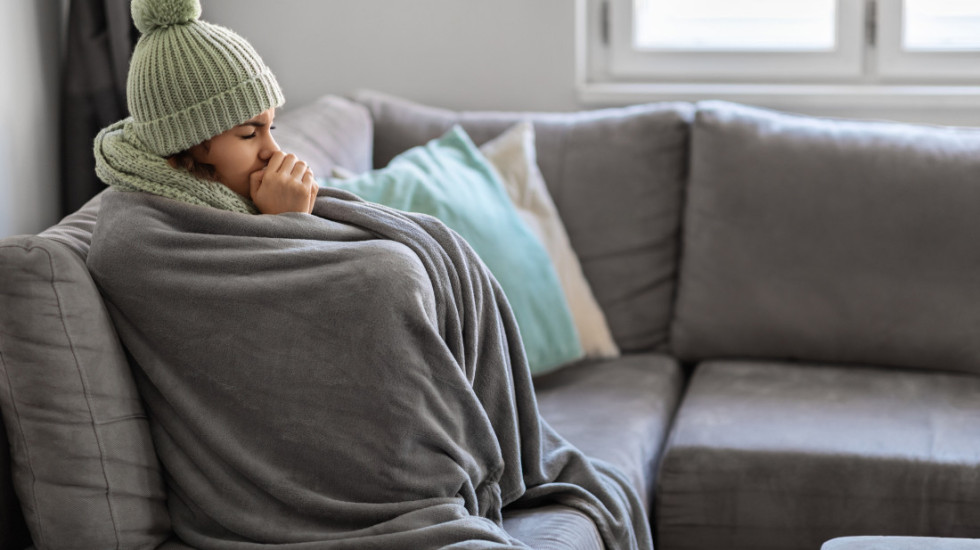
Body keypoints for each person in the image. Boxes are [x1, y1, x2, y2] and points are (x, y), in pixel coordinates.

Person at [89, 1, 653, 548]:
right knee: (389, 272)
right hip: (301, 496)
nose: (273, 151)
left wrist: (289, 225)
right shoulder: (140, 236)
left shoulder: (226, 199)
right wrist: (291, 227)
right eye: (249, 134)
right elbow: (288, 323)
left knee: (424, 248)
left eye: (272, 128)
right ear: (188, 144)